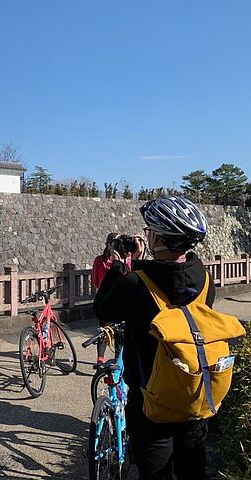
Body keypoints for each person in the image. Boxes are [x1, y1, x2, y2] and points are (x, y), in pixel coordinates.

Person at [93, 195, 213, 480]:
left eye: (148, 231)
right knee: (192, 472)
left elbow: (103, 309)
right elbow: (173, 280)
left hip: (151, 402)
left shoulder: (135, 283)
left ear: (158, 237)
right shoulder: (204, 278)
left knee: (155, 473)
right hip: (196, 393)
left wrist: (124, 264)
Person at [92, 232, 142, 365]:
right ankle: (118, 360)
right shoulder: (129, 262)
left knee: (103, 331)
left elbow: (96, 282)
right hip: (122, 300)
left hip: (105, 298)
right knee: (119, 334)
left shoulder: (99, 260)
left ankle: (101, 359)